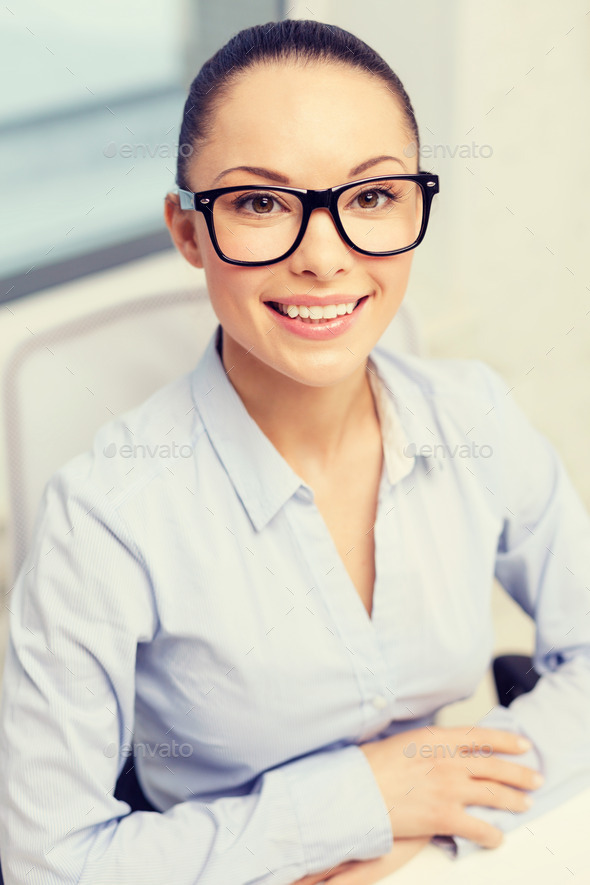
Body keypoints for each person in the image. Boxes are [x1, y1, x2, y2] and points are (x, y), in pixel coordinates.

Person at [1, 18, 590, 885]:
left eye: (373, 196)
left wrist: (433, 813)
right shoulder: (102, 519)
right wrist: (353, 808)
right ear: (190, 231)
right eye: (261, 203)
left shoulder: (476, 416)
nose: (325, 256)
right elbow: (51, 862)